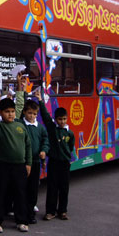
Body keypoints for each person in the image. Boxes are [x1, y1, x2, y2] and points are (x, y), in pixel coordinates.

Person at [0, 78, 32, 233]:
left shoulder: (20, 125)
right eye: (7, 112)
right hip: (1, 165)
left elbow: (28, 146)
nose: (10, 114)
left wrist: (28, 163)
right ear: (1, 113)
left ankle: (21, 220)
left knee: (20, 194)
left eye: (12, 112)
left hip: (19, 166)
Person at [35, 90, 75, 221]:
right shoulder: (52, 129)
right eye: (60, 119)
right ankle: (50, 211)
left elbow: (70, 147)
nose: (62, 121)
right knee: (52, 187)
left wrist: (67, 157)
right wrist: (40, 101)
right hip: (53, 162)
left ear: (66, 118)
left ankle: (62, 211)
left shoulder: (70, 133)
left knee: (64, 188)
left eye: (64, 119)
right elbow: (45, 116)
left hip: (65, 163)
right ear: (56, 119)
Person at [15, 87, 49, 224]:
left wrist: (44, 150)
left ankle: (30, 213)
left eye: (34, 114)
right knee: (21, 189)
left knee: (33, 189)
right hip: (22, 162)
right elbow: (18, 106)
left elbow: (45, 140)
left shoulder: (39, 127)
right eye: (29, 113)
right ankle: (21, 214)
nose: (32, 116)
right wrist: (21, 90)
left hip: (35, 162)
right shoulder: (20, 124)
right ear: (24, 113)